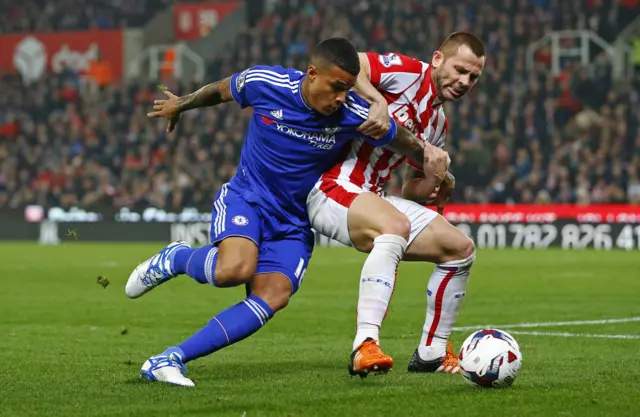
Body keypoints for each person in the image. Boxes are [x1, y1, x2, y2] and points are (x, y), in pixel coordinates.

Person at [125, 37, 448, 386]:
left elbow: (398, 137)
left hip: (294, 221)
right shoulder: (266, 83)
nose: (341, 97)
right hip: (248, 198)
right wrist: (181, 104)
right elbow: (220, 91)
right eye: (336, 87)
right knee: (234, 269)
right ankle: (176, 259)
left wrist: (427, 154)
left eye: (347, 89)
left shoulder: (351, 113)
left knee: (274, 296)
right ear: (312, 74)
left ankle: (169, 359)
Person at [307, 31, 486, 377]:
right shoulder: (406, 72)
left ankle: (432, 351)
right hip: (331, 184)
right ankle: (364, 345)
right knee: (394, 225)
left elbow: (409, 191)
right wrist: (377, 100)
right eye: (460, 70)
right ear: (438, 59)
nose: (464, 82)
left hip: (373, 197)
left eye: (473, 77)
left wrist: (437, 180)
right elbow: (352, 62)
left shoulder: (437, 123)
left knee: (460, 248)